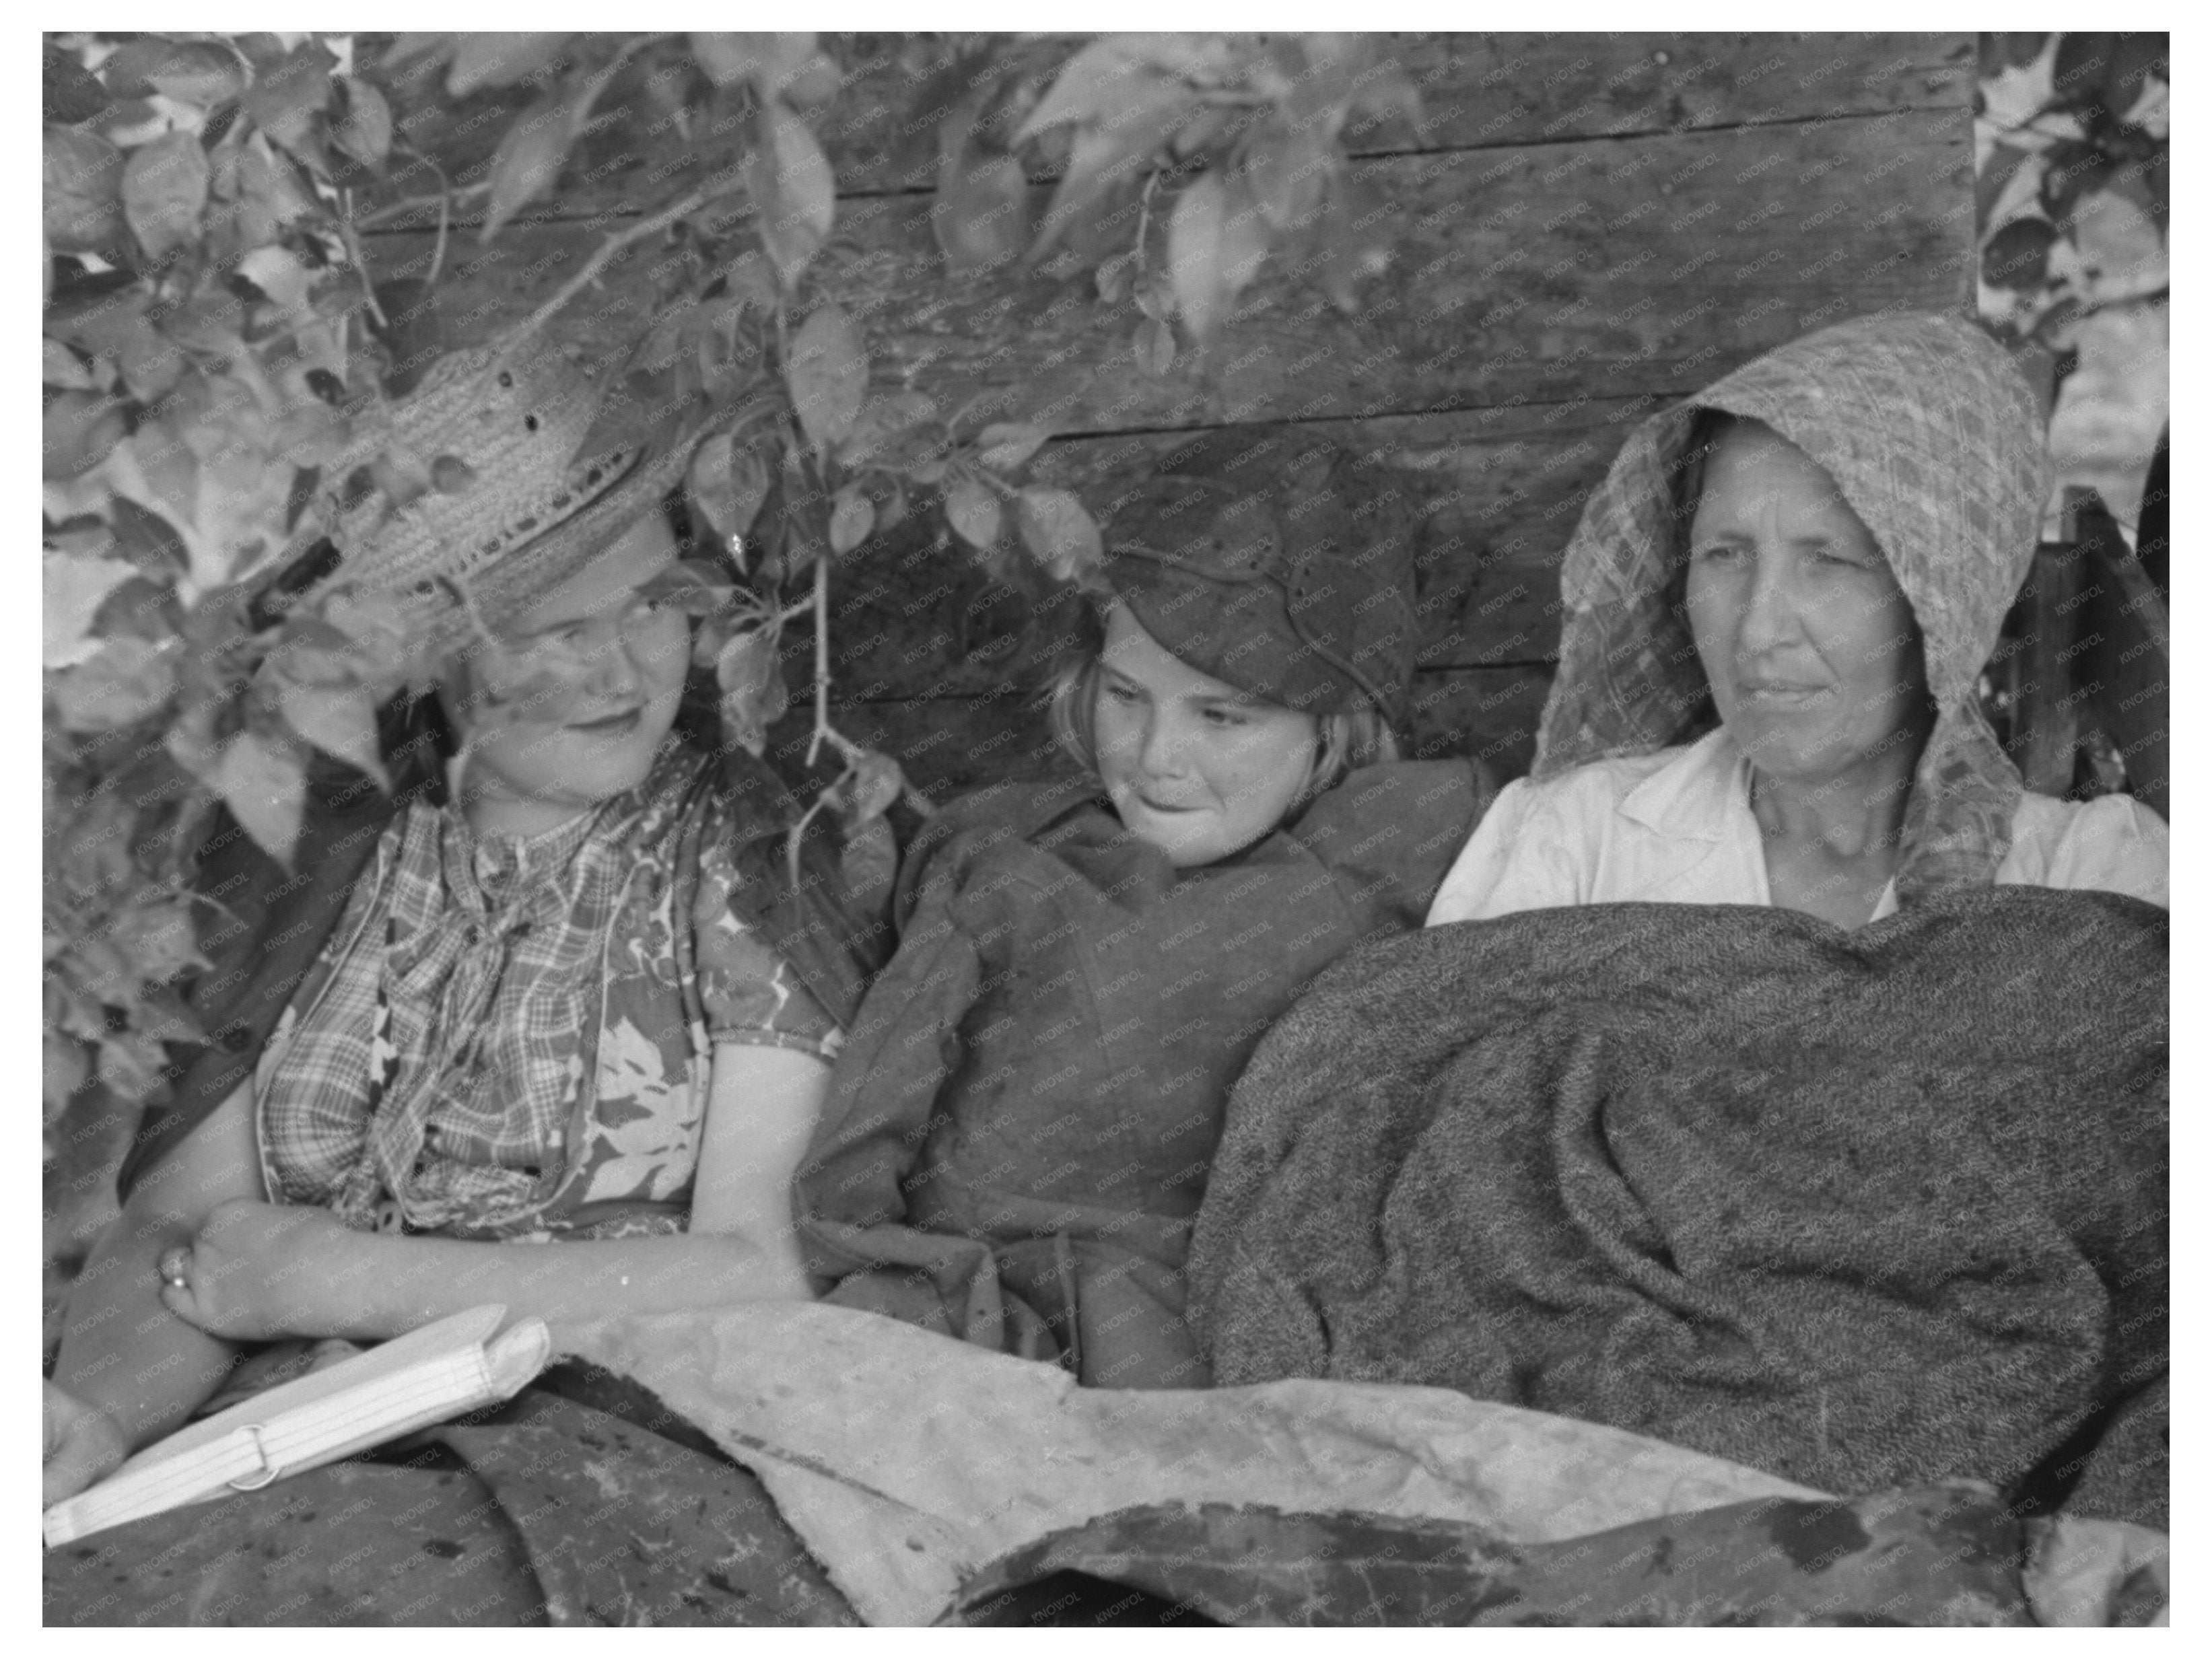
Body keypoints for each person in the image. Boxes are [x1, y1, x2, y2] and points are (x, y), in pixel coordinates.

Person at [42, 343, 883, 1532]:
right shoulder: (319, 860)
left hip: (611, 1446)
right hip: (278, 1446)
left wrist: (348, 1280)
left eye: (653, 599)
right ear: (434, 662)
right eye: (556, 628)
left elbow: (766, 1269)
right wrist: (96, 1416)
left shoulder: (742, 861)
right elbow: (182, 1236)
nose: (624, 665)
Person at [794, 432, 1488, 1390]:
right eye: (1124, 697)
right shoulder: (1003, 863)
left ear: (1335, 724)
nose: (1156, 755)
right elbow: (862, 1155)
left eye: (1222, 716)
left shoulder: (1426, 868)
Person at [1424, 312, 2168, 929]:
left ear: (1949, 600)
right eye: (1722, 554)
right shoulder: (1573, 844)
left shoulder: (2096, 881)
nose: (1757, 630)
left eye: (1830, 560)